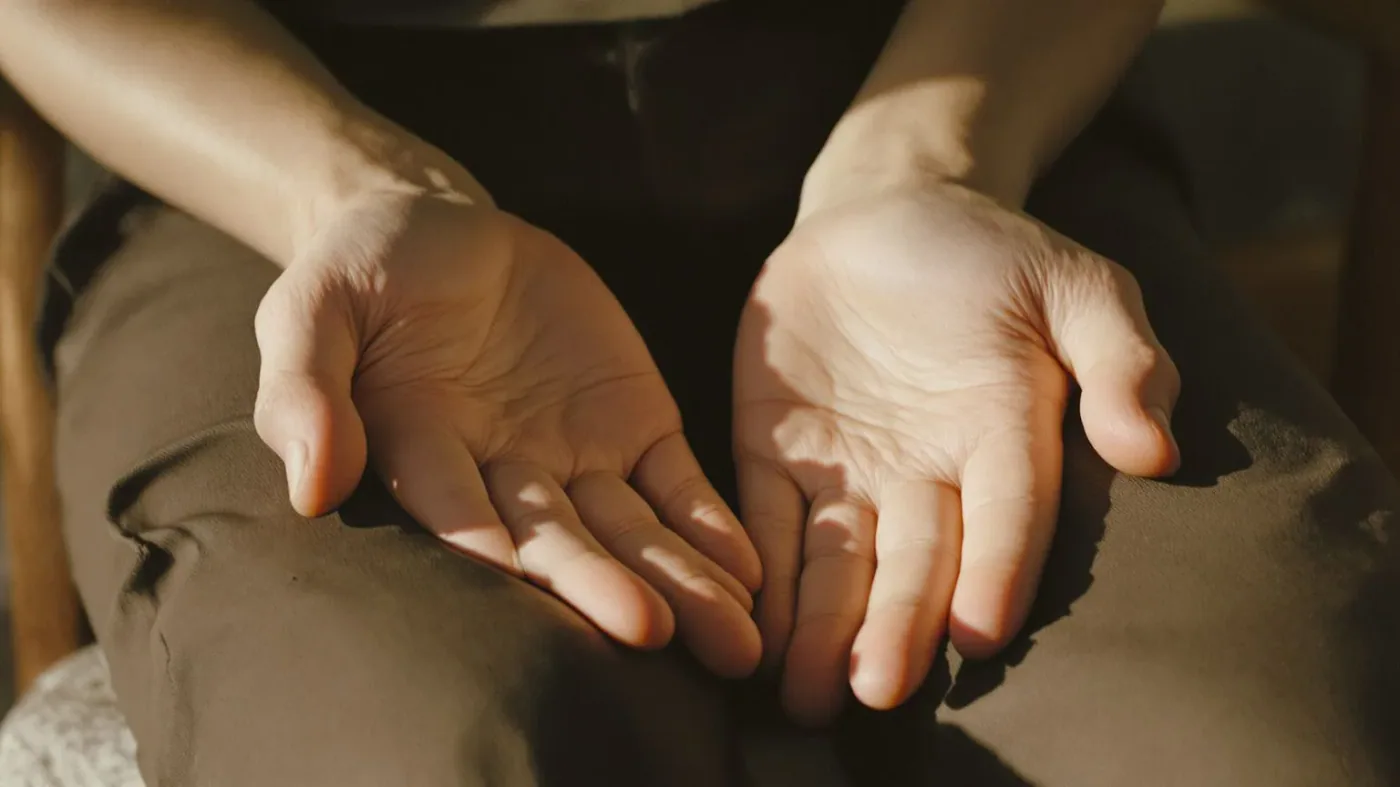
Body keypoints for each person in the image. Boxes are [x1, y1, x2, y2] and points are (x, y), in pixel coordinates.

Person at [1, 0, 1396, 783]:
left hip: (956, 132)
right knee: (404, 748)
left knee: (1245, 745)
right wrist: (349, 187)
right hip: (286, 175)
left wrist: (935, 157)